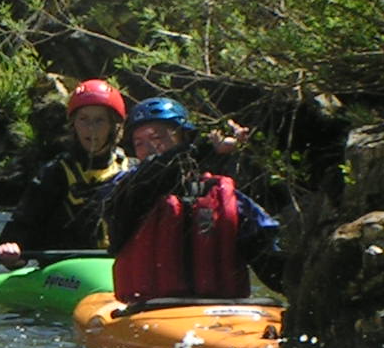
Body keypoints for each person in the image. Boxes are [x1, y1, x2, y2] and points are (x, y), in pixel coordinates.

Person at [98, 96, 283, 301]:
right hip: (147, 309)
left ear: (183, 138)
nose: (149, 149)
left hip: (218, 313)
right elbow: (155, 176)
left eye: (158, 138)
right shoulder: (126, 189)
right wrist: (204, 147)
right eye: (139, 143)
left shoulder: (225, 199)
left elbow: (273, 267)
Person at [0, 78, 130, 266]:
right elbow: (20, 230)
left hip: (115, 269)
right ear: (74, 124)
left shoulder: (132, 172)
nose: (91, 129)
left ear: (113, 127)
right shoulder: (54, 174)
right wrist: (13, 252)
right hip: (63, 271)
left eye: (100, 120)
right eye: (84, 119)